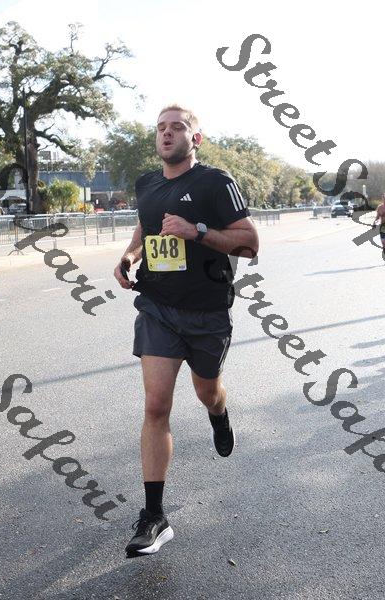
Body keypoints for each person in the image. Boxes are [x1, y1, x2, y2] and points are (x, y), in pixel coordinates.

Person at [113, 104, 259, 558]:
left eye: (177, 127)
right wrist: (130, 257)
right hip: (158, 307)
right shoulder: (147, 184)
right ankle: (154, 517)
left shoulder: (216, 182)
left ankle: (219, 411)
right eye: (161, 127)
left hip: (207, 312)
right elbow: (145, 229)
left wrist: (196, 231)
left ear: (195, 138)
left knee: (206, 391)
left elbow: (249, 243)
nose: (167, 133)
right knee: (156, 405)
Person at [371, 193, 385, 263]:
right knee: (384, 244)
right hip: (383, 227)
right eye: (384, 198)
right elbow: (377, 217)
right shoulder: (380, 207)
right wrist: (374, 223)